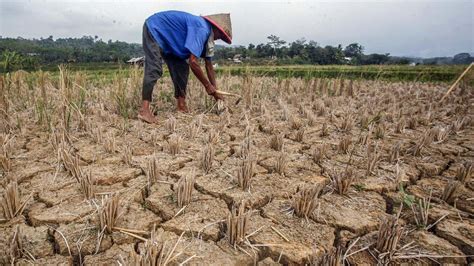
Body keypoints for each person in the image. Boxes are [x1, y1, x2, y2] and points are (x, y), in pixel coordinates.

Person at [138, 10, 232, 123]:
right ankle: (144, 110)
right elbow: (193, 62)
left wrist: (215, 91)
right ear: (215, 29)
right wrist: (207, 85)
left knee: (182, 68)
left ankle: (181, 106)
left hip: (172, 43)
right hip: (154, 28)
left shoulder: (208, 37)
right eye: (220, 36)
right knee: (154, 68)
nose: (218, 39)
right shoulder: (202, 29)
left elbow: (209, 65)